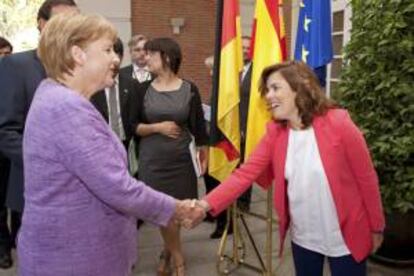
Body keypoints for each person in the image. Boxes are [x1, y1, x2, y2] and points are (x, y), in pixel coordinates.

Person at [18, 13, 205, 276]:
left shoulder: (54, 95)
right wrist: (177, 209)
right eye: (107, 50)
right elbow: (118, 187)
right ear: (77, 54)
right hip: (76, 260)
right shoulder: (66, 108)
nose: (116, 58)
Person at [197, 61, 385, 276]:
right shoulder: (275, 133)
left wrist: (376, 227)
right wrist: (204, 205)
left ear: (300, 87)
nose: (268, 95)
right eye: (267, 90)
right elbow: (244, 174)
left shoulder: (339, 123)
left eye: (275, 88)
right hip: (304, 237)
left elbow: (367, 179)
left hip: (345, 236)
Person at [0, 0, 78, 268]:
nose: (70, 28)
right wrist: (45, 163)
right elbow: (6, 130)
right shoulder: (16, 66)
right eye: (62, 21)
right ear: (41, 24)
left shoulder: (80, 65)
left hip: (77, 190)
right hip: (34, 187)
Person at [128, 37, 208, 276]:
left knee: (178, 210)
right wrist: (157, 128)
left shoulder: (189, 88)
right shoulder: (140, 88)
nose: (146, 58)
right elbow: (133, 126)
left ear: (168, 58)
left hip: (181, 161)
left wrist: (205, 152)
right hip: (153, 161)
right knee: (163, 211)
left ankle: (167, 252)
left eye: (151, 54)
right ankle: (178, 258)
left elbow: (198, 126)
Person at [202, 55, 232, 239]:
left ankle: (225, 223)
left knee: (218, 181)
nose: (211, 73)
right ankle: (212, 212)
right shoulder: (217, 86)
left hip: (222, 142)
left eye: (213, 69)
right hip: (211, 139)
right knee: (209, 179)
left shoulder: (226, 88)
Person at [91, 37, 132, 150]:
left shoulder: (131, 84)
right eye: (108, 53)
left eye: (117, 55)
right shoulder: (93, 85)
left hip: (126, 144)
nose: (113, 60)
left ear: (121, 57)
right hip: (101, 144)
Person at [0, 36, 14, 269]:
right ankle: (3, 247)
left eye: (7, 54)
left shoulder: (15, 79)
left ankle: (17, 238)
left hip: (16, 149)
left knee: (18, 199)